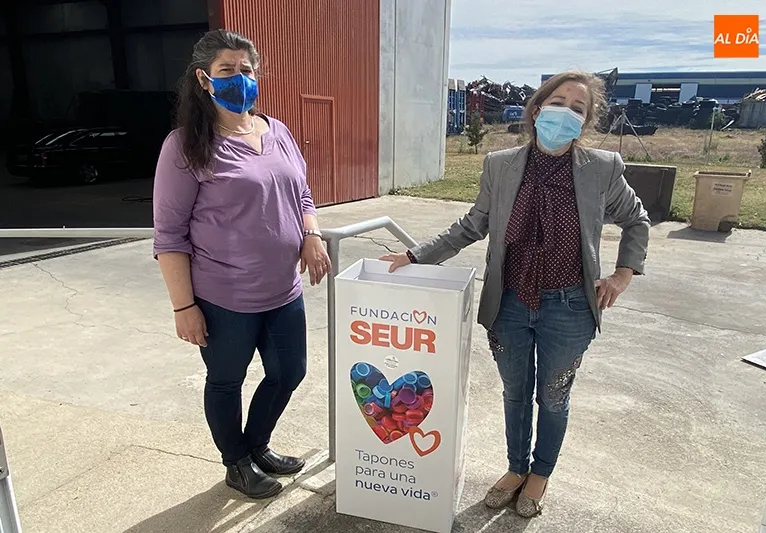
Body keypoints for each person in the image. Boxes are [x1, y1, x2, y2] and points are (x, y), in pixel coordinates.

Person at [381, 71, 649, 517]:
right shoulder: (500, 164)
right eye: (557, 101)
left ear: (585, 122)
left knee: (554, 396)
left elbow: (637, 220)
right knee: (515, 392)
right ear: (538, 108)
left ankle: (540, 474)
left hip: (570, 306)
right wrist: (415, 256)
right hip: (509, 302)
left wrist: (622, 274)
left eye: (577, 108)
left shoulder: (602, 169)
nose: (565, 112)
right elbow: (472, 225)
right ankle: (515, 467)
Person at [152, 29, 331, 499]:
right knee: (227, 380)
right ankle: (236, 461)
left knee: (289, 372)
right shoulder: (186, 146)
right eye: (226, 70)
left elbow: (303, 194)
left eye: (246, 70)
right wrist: (182, 307)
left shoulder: (278, 130)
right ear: (204, 79)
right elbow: (169, 235)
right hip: (223, 297)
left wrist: (310, 233)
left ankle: (258, 445)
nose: (239, 78)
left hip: (283, 290)